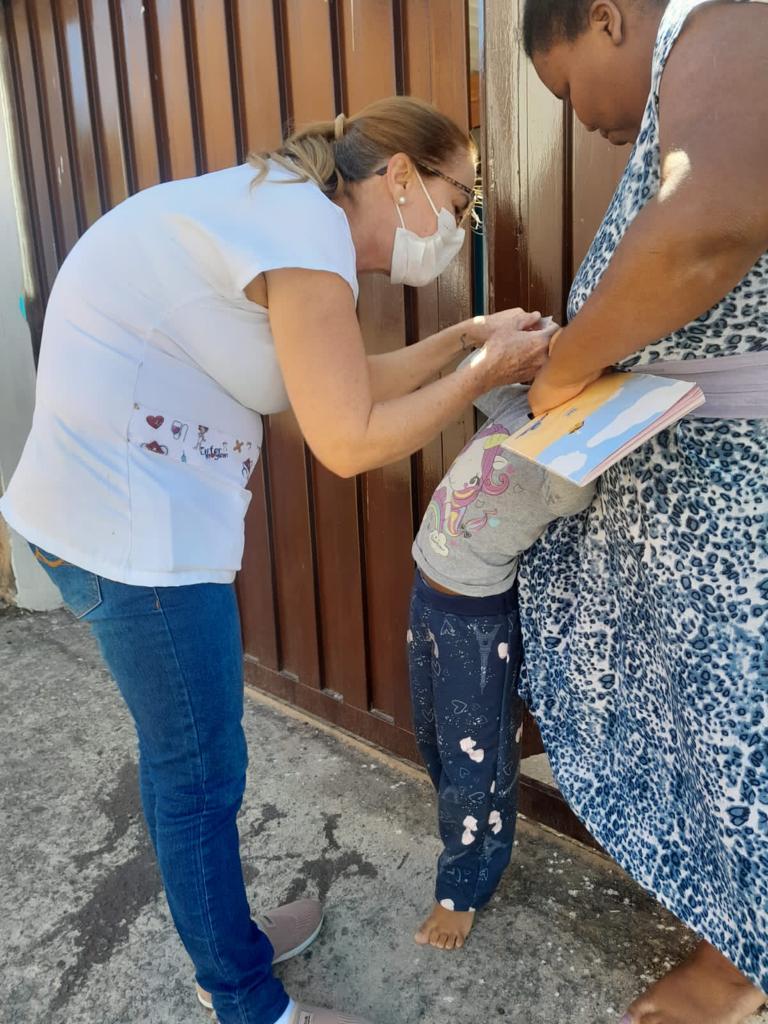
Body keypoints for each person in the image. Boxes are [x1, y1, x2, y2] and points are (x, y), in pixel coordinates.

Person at [0, 97, 554, 1024]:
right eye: (460, 201)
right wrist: (483, 374)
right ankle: (247, 1000)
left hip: (115, 521)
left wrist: (466, 343)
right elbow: (347, 437)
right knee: (198, 775)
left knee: (191, 766)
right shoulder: (303, 232)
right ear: (402, 176)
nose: (456, 228)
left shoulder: (283, 213)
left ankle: (229, 942)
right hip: (129, 540)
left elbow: (338, 383)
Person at [519, 2, 768, 1023]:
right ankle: (736, 940)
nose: (578, 119)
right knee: (720, 732)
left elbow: (708, 228)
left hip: (739, 503)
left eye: (566, 85)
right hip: (703, 499)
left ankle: (741, 966)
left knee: (746, 732)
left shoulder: (724, 21)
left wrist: (566, 368)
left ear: (608, 19)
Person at [407, 374, 594, 950]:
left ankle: (461, 890)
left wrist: (575, 407)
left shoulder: (569, 462)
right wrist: (517, 350)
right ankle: (465, 842)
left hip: (480, 626)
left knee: (477, 768)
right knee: (434, 739)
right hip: (428, 598)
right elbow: (475, 371)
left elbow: (577, 486)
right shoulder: (520, 403)